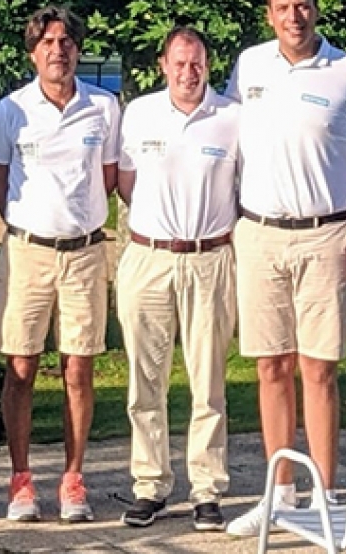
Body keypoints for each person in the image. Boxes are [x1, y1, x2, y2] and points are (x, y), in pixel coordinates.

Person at [224, 0, 346, 536]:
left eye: (303, 4)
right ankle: (281, 495)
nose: (295, 15)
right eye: (283, 7)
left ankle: (326, 492)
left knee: (318, 370)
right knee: (270, 366)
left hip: (327, 235)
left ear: (316, 8)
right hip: (260, 233)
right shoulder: (248, 67)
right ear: (269, 15)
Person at [0, 5, 121, 522]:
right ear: (32, 51)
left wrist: (76, 218)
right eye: (46, 42)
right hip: (26, 252)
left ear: (78, 49)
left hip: (85, 252)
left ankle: (73, 479)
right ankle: (21, 481)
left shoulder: (104, 108)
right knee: (20, 368)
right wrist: (24, 219)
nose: (57, 51)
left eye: (65, 41)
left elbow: (108, 175)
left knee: (78, 368)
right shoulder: (10, 110)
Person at [116, 26, 238, 531]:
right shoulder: (139, 113)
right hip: (148, 257)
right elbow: (125, 181)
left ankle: (207, 489)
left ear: (208, 66)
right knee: (145, 381)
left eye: (198, 63)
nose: (189, 73)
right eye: (180, 63)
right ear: (163, 64)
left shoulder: (232, 118)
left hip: (210, 258)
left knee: (207, 381)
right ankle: (151, 485)